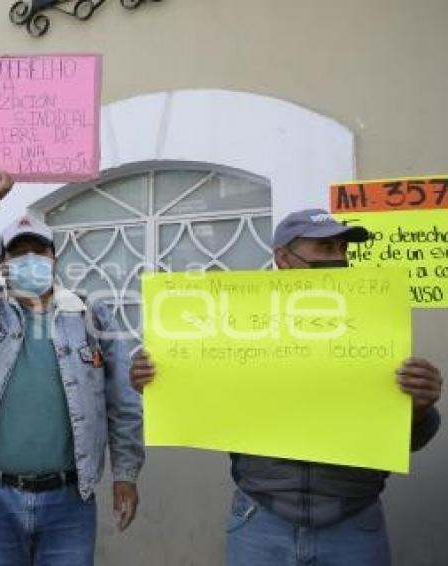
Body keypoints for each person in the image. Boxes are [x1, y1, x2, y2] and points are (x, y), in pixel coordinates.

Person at [130, 209, 443, 566]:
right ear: (283, 258)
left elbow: (411, 440)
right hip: (261, 520)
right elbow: (204, 404)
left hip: (354, 523)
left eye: (343, 249)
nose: (338, 259)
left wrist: (420, 407)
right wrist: (156, 383)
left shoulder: (372, 325)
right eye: (324, 247)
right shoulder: (236, 322)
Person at [0, 172, 145, 566]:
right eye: (17, 254)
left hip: (69, 501)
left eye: (38, 252)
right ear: (2, 264)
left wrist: (125, 473)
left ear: (54, 260)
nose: (29, 261)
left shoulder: (92, 315)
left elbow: (122, 402)